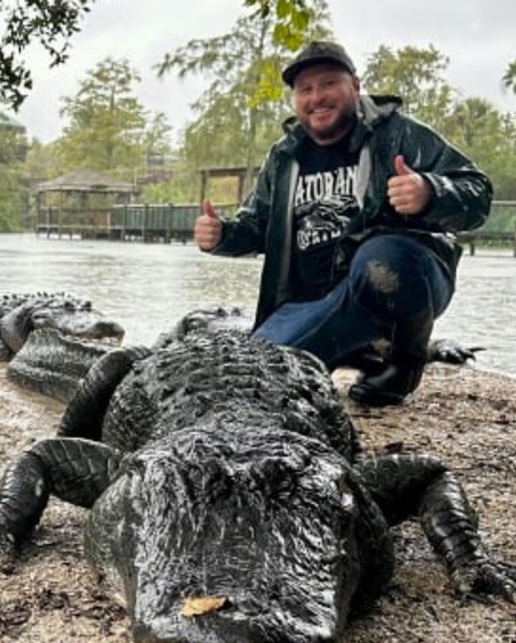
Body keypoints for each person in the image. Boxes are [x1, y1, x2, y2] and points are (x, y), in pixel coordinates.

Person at [193, 40, 492, 406]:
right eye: (305, 89)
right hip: (311, 301)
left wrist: (430, 191)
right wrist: (222, 235)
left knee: (382, 259)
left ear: (355, 85)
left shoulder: (399, 134)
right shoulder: (285, 156)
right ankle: (355, 350)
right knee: (255, 375)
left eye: (328, 84)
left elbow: (477, 191)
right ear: (296, 99)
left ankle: (406, 363)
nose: (317, 96)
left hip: (395, 278)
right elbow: (257, 225)